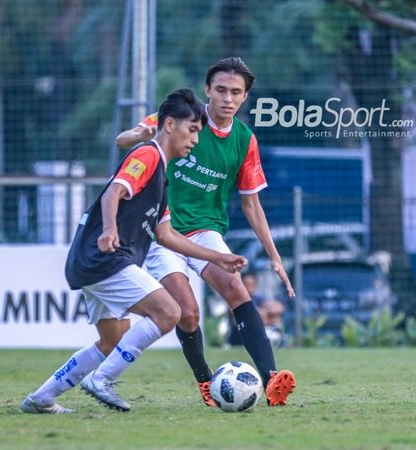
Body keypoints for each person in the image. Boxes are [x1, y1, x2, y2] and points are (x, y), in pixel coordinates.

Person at [21, 88, 247, 414]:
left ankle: (41, 398)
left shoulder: (162, 176)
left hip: (93, 260)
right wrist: (110, 229)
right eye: (193, 130)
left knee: (112, 341)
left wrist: (219, 257)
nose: (196, 140)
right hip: (105, 257)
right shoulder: (148, 155)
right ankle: (103, 380)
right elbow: (113, 192)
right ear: (170, 124)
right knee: (170, 312)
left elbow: (166, 235)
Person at [115, 57, 296, 407]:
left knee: (235, 288)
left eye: (236, 93)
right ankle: (205, 382)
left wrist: (275, 257)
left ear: (245, 98)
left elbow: (251, 205)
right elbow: (124, 140)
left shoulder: (244, 140)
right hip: (161, 232)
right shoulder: (182, 120)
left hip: (204, 231)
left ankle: (273, 381)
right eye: (221, 90)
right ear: (207, 90)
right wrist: (137, 134)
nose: (228, 98)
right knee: (188, 311)